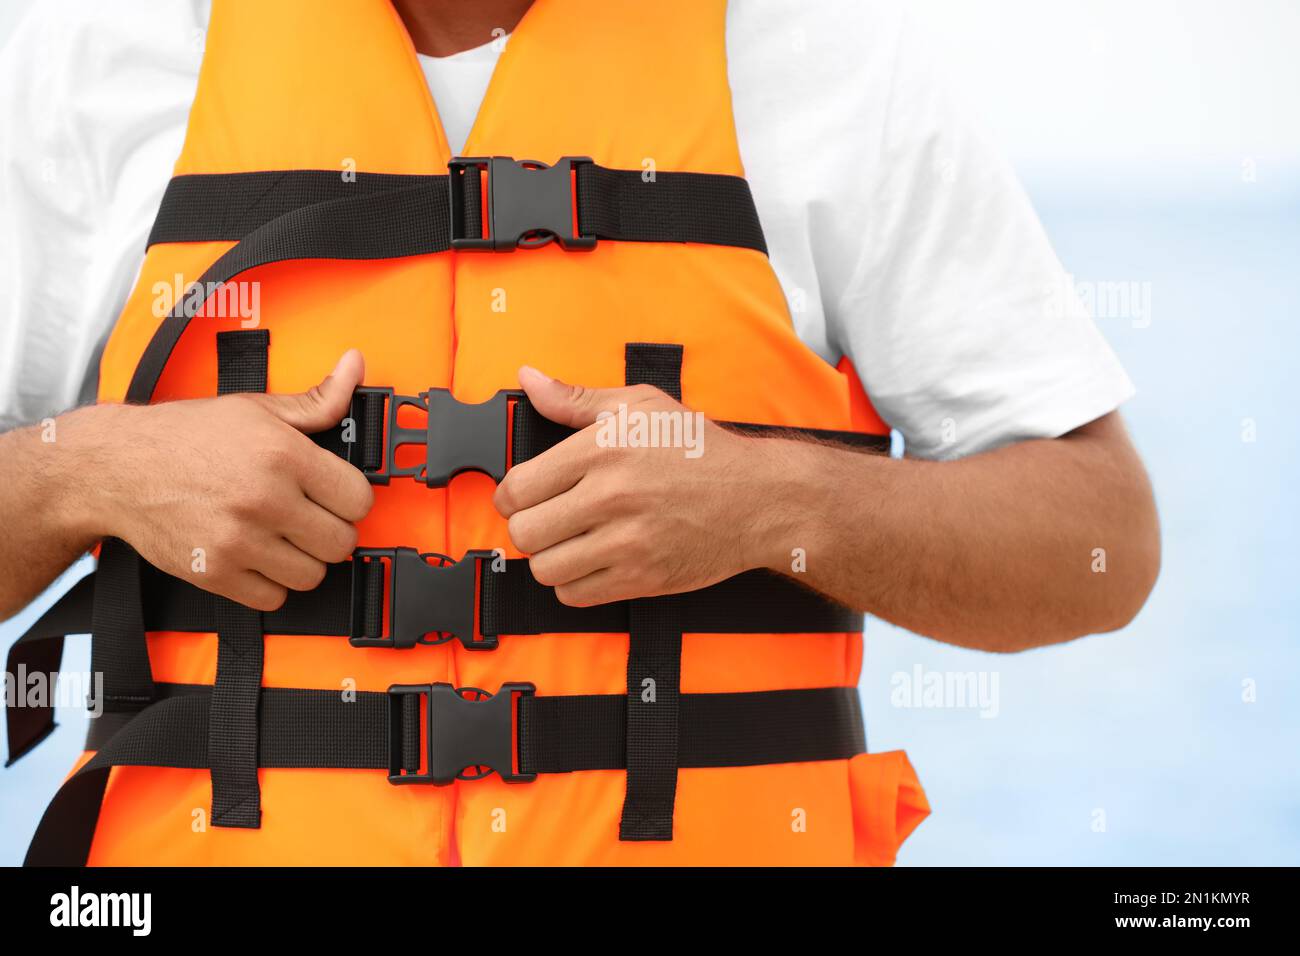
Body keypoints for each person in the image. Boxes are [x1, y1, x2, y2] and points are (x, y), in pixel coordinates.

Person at [0, 0, 1158, 866]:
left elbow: (1101, 543)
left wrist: (774, 503)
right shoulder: (94, 65)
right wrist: (84, 473)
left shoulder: (821, 62)